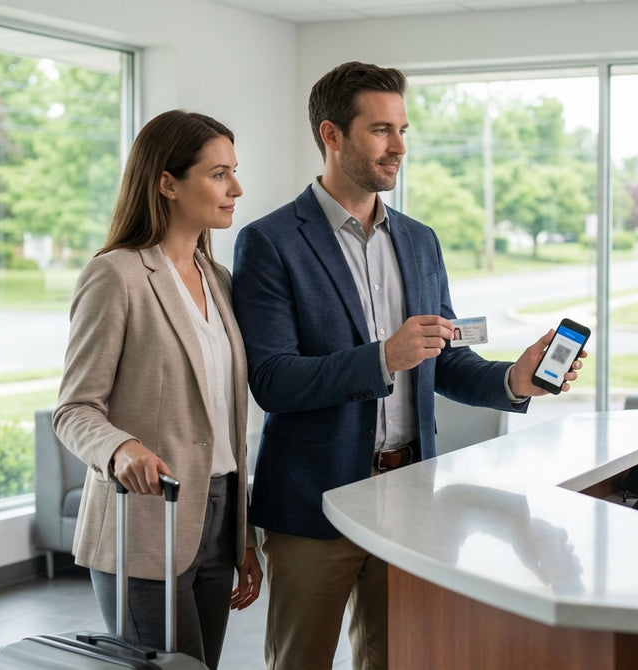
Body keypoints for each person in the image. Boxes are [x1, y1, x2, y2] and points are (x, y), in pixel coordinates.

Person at [231, 61, 586, 670]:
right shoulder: (270, 242)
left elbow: (441, 361)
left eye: (402, 129)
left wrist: (512, 378)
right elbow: (272, 381)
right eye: (379, 130)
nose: (398, 147)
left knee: (397, 659)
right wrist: (382, 358)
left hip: (409, 496)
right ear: (332, 135)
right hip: (312, 502)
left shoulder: (419, 240)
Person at [53, 110, 262, 669]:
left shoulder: (220, 282)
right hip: (144, 519)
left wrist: (244, 536)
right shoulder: (115, 275)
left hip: (217, 519)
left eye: (234, 172)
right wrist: (120, 448)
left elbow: (224, 421)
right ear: (167, 182)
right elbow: (74, 409)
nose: (236, 188)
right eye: (219, 174)